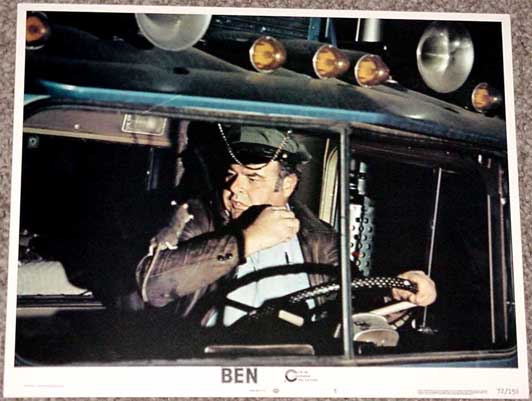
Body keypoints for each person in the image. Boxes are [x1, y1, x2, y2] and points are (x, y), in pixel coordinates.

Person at [136, 125, 436, 327]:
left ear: (288, 185)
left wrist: (395, 298)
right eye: (231, 174)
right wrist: (245, 241)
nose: (234, 188)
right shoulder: (197, 217)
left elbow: (349, 312)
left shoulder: (320, 239)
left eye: (253, 178)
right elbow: (151, 286)